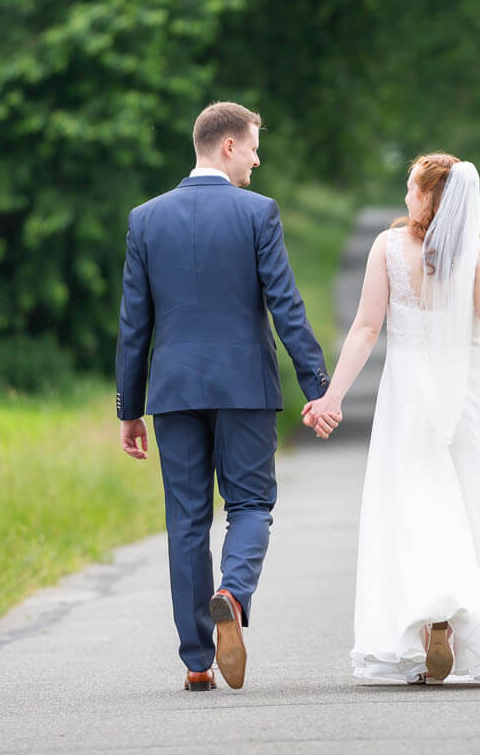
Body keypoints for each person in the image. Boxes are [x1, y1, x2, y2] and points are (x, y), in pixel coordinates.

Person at [303, 153, 480, 684]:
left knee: (416, 507)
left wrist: (333, 397)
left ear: (431, 197)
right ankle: (463, 626)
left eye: (412, 189)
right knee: (474, 508)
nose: (406, 197)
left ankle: (431, 618)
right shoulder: (479, 255)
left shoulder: (389, 247)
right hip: (471, 394)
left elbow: (367, 328)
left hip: (409, 396)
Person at [116, 101, 335, 693]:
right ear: (229, 146)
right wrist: (320, 387)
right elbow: (285, 305)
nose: (259, 159)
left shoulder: (145, 219)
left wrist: (128, 409)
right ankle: (231, 595)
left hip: (174, 391)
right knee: (250, 504)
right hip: (245, 386)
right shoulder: (258, 214)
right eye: (255, 146)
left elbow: (134, 324)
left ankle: (195, 658)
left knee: (186, 520)